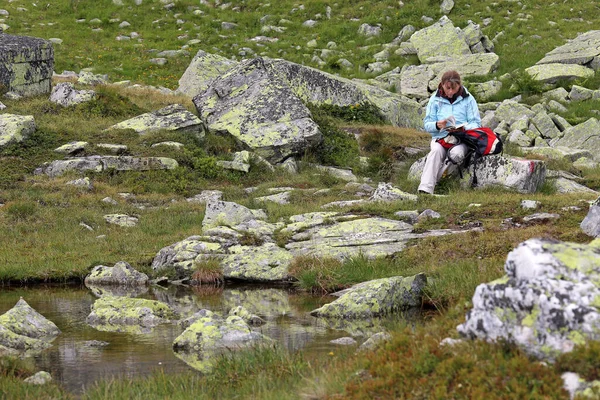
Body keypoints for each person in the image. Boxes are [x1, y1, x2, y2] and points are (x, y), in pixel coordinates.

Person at [418, 70, 481, 195]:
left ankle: (437, 182)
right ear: (442, 84)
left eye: (454, 88)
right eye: (448, 88)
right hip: (440, 138)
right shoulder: (434, 100)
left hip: (461, 139)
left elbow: (476, 123)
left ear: (459, 85)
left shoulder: (468, 99)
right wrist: (437, 125)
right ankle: (424, 190)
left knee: (457, 154)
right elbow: (427, 125)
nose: (451, 92)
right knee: (435, 152)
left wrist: (464, 128)